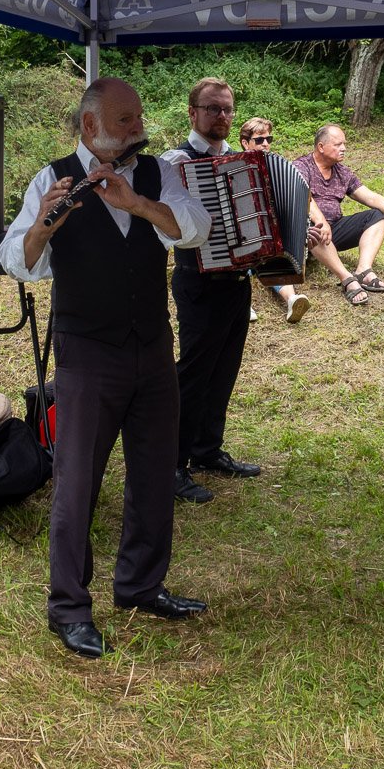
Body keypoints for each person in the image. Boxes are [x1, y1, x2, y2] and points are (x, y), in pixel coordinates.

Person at [0, 77, 211, 660]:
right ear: (90, 125)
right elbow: (17, 262)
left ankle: (141, 585)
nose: (137, 127)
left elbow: (195, 228)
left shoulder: (158, 173)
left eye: (137, 117)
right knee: (77, 480)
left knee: (155, 470)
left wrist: (137, 203)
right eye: (124, 120)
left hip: (152, 345)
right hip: (88, 351)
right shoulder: (51, 178)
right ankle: (68, 607)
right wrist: (44, 223)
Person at [161, 78, 261, 506]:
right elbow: (169, 227)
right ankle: (171, 465)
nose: (222, 116)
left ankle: (206, 450)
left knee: (223, 371)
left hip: (238, 284)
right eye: (212, 108)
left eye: (227, 109)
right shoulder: (174, 162)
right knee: (193, 375)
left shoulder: (243, 162)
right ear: (193, 113)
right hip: (198, 283)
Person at [293, 124, 384, 306]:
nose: (343, 148)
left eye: (344, 144)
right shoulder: (301, 166)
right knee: (312, 224)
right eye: (337, 144)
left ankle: (363, 270)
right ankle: (346, 278)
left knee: (378, 216)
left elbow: (370, 196)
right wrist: (320, 220)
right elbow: (303, 196)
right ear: (321, 147)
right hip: (306, 234)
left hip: (333, 230)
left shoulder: (342, 172)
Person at [238, 117, 311, 324]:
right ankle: (242, 304)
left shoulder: (277, 167)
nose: (265, 144)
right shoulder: (234, 167)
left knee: (277, 260)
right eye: (259, 140)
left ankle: (292, 300)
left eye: (268, 139)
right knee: (244, 262)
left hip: (270, 233)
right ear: (245, 143)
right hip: (244, 233)